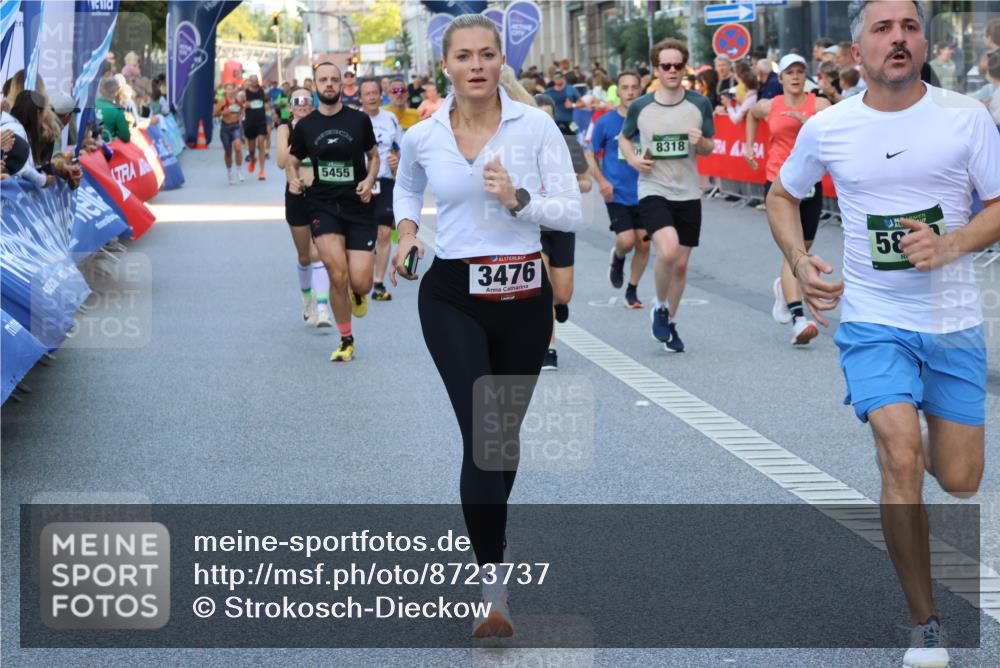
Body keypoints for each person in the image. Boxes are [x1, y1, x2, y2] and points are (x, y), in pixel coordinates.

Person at [767, 3, 1000, 667]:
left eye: (909, 27)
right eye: (882, 28)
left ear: (924, 41)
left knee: (957, 478)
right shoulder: (831, 126)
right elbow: (782, 196)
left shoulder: (966, 116)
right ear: (855, 50)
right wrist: (798, 257)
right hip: (873, 320)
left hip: (952, 325)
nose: (898, 38)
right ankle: (924, 624)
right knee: (901, 457)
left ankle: (914, 428)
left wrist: (950, 244)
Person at [389, 14, 581, 638]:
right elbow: (405, 187)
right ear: (445, 66)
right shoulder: (423, 135)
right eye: (464, 56)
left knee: (500, 441)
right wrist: (409, 232)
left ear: (502, 62)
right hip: (452, 296)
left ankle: (491, 552)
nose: (476, 65)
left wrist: (520, 199)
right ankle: (492, 589)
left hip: (525, 296)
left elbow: (571, 212)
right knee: (483, 430)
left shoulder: (537, 127)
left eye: (487, 54)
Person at [619, 38, 715, 353]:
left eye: (677, 65)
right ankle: (659, 306)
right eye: (665, 66)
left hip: (688, 191)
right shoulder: (641, 106)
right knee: (669, 252)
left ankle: (670, 323)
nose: (672, 71)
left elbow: (710, 148)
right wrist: (634, 160)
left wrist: (700, 142)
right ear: (656, 68)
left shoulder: (699, 104)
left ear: (684, 66)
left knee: (682, 266)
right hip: (653, 188)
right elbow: (624, 138)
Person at [287, 62, 380, 362]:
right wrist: (293, 178)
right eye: (323, 80)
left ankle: (359, 292)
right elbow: (291, 159)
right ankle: (346, 339)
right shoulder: (306, 126)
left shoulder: (359, 120)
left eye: (333, 79)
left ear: (341, 84)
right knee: (336, 274)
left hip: (359, 206)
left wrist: (369, 179)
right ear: (314, 86)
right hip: (323, 205)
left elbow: (374, 156)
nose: (329, 84)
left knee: (361, 281)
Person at [745, 53, 831, 345]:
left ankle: (785, 286)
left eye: (799, 71)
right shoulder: (770, 105)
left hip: (811, 183)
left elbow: (834, 131)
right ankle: (798, 317)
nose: (795, 77)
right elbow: (751, 115)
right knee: (792, 251)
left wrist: (806, 120)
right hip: (778, 184)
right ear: (779, 78)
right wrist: (748, 148)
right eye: (789, 72)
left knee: (804, 249)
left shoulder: (820, 105)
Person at [533, 93, 592, 371]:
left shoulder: (568, 145)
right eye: (539, 117)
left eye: (549, 117)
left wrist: (567, 185)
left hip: (562, 224)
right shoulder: (521, 147)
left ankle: (559, 304)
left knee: (563, 294)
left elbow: (587, 183)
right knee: (542, 289)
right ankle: (549, 347)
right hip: (535, 226)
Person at [587, 71, 648, 310]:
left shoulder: (648, 119)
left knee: (644, 243)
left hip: (646, 190)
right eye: (625, 87)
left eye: (634, 87)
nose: (630, 92)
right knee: (627, 240)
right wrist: (601, 181)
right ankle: (619, 257)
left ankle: (632, 290)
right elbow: (589, 154)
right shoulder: (605, 122)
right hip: (617, 192)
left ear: (640, 90)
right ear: (618, 91)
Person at [276, 88, 333, 328]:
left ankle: (322, 309)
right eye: (297, 101)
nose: (302, 104)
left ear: (313, 104)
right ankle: (307, 299)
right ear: (290, 106)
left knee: (317, 251)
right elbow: (281, 161)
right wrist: (300, 134)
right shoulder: (284, 129)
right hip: (296, 195)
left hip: (320, 194)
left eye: (307, 101)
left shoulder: (321, 124)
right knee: (304, 255)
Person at [360, 77, 404, 302]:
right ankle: (359, 277)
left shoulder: (391, 119)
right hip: (360, 182)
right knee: (363, 233)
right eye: (367, 93)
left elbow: (401, 148)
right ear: (361, 98)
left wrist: (398, 161)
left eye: (375, 92)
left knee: (384, 232)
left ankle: (378, 282)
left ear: (381, 94)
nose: (372, 97)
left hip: (385, 180)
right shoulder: (354, 119)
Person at [214, 82, 245, 184]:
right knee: (228, 152)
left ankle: (239, 171)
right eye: (228, 89)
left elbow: (242, 108)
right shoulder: (222, 101)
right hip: (225, 128)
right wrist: (223, 113)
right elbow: (214, 113)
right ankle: (229, 173)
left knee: (238, 148)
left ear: (234, 90)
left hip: (235, 126)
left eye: (232, 89)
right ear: (225, 90)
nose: (230, 91)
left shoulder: (237, 100)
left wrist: (240, 118)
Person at [242, 75, 269, 179]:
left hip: (261, 121)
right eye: (252, 80)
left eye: (256, 80)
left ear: (258, 81)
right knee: (252, 148)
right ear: (249, 81)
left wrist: (267, 105)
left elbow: (267, 102)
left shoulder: (262, 91)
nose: (254, 82)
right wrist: (245, 104)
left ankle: (262, 171)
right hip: (250, 122)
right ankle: (253, 159)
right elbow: (242, 103)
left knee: (261, 143)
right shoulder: (246, 92)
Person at [95, 76, 130, 143]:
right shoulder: (118, 112)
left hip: (89, 148)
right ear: (116, 92)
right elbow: (125, 137)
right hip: (108, 150)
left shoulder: (91, 104)